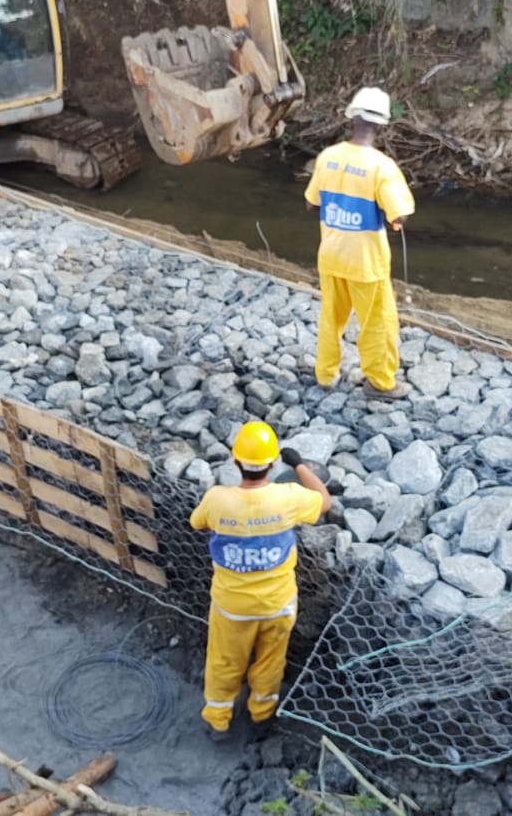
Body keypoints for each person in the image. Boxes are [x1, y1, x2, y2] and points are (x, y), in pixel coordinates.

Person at [189, 421, 332, 740]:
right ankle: (261, 715)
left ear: (235, 461)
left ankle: (218, 720)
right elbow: (324, 501)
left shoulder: (217, 500)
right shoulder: (289, 498)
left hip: (232, 607)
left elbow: (196, 522)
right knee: (270, 661)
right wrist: (299, 464)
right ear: (271, 464)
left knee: (224, 661)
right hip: (277, 605)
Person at [303, 86, 417, 397]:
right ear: (382, 126)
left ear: (351, 119)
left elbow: (312, 204)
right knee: (377, 324)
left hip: (331, 256)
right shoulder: (382, 167)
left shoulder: (328, 158)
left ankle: (325, 375)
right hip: (366, 263)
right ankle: (380, 383)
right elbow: (401, 215)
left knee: (331, 317)